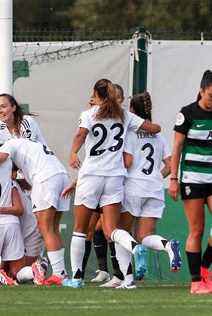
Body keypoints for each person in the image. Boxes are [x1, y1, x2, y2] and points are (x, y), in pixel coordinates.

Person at [63, 78, 161, 289]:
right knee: (112, 230)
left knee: (80, 228)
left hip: (91, 176)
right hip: (115, 177)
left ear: (96, 96)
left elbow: (81, 134)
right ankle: (132, 256)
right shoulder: (125, 116)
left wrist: (73, 152)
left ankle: (77, 278)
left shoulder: (89, 114)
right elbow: (155, 128)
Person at [0, 137, 70, 285]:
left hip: (38, 192)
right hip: (62, 175)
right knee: (53, 229)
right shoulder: (28, 147)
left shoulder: (8, 148)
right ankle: (59, 272)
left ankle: (57, 274)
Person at [168, 70, 212, 294]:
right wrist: (174, 178)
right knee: (197, 230)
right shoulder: (187, 113)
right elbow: (177, 147)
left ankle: (204, 266)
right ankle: (196, 281)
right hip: (192, 178)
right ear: (201, 91)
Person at [119, 92, 182, 280]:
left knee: (120, 232)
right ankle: (167, 245)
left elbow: (128, 162)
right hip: (154, 189)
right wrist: (155, 176)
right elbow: (171, 165)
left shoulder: (130, 133)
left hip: (133, 188)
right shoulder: (158, 136)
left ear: (131, 111)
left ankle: (125, 278)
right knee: (145, 235)